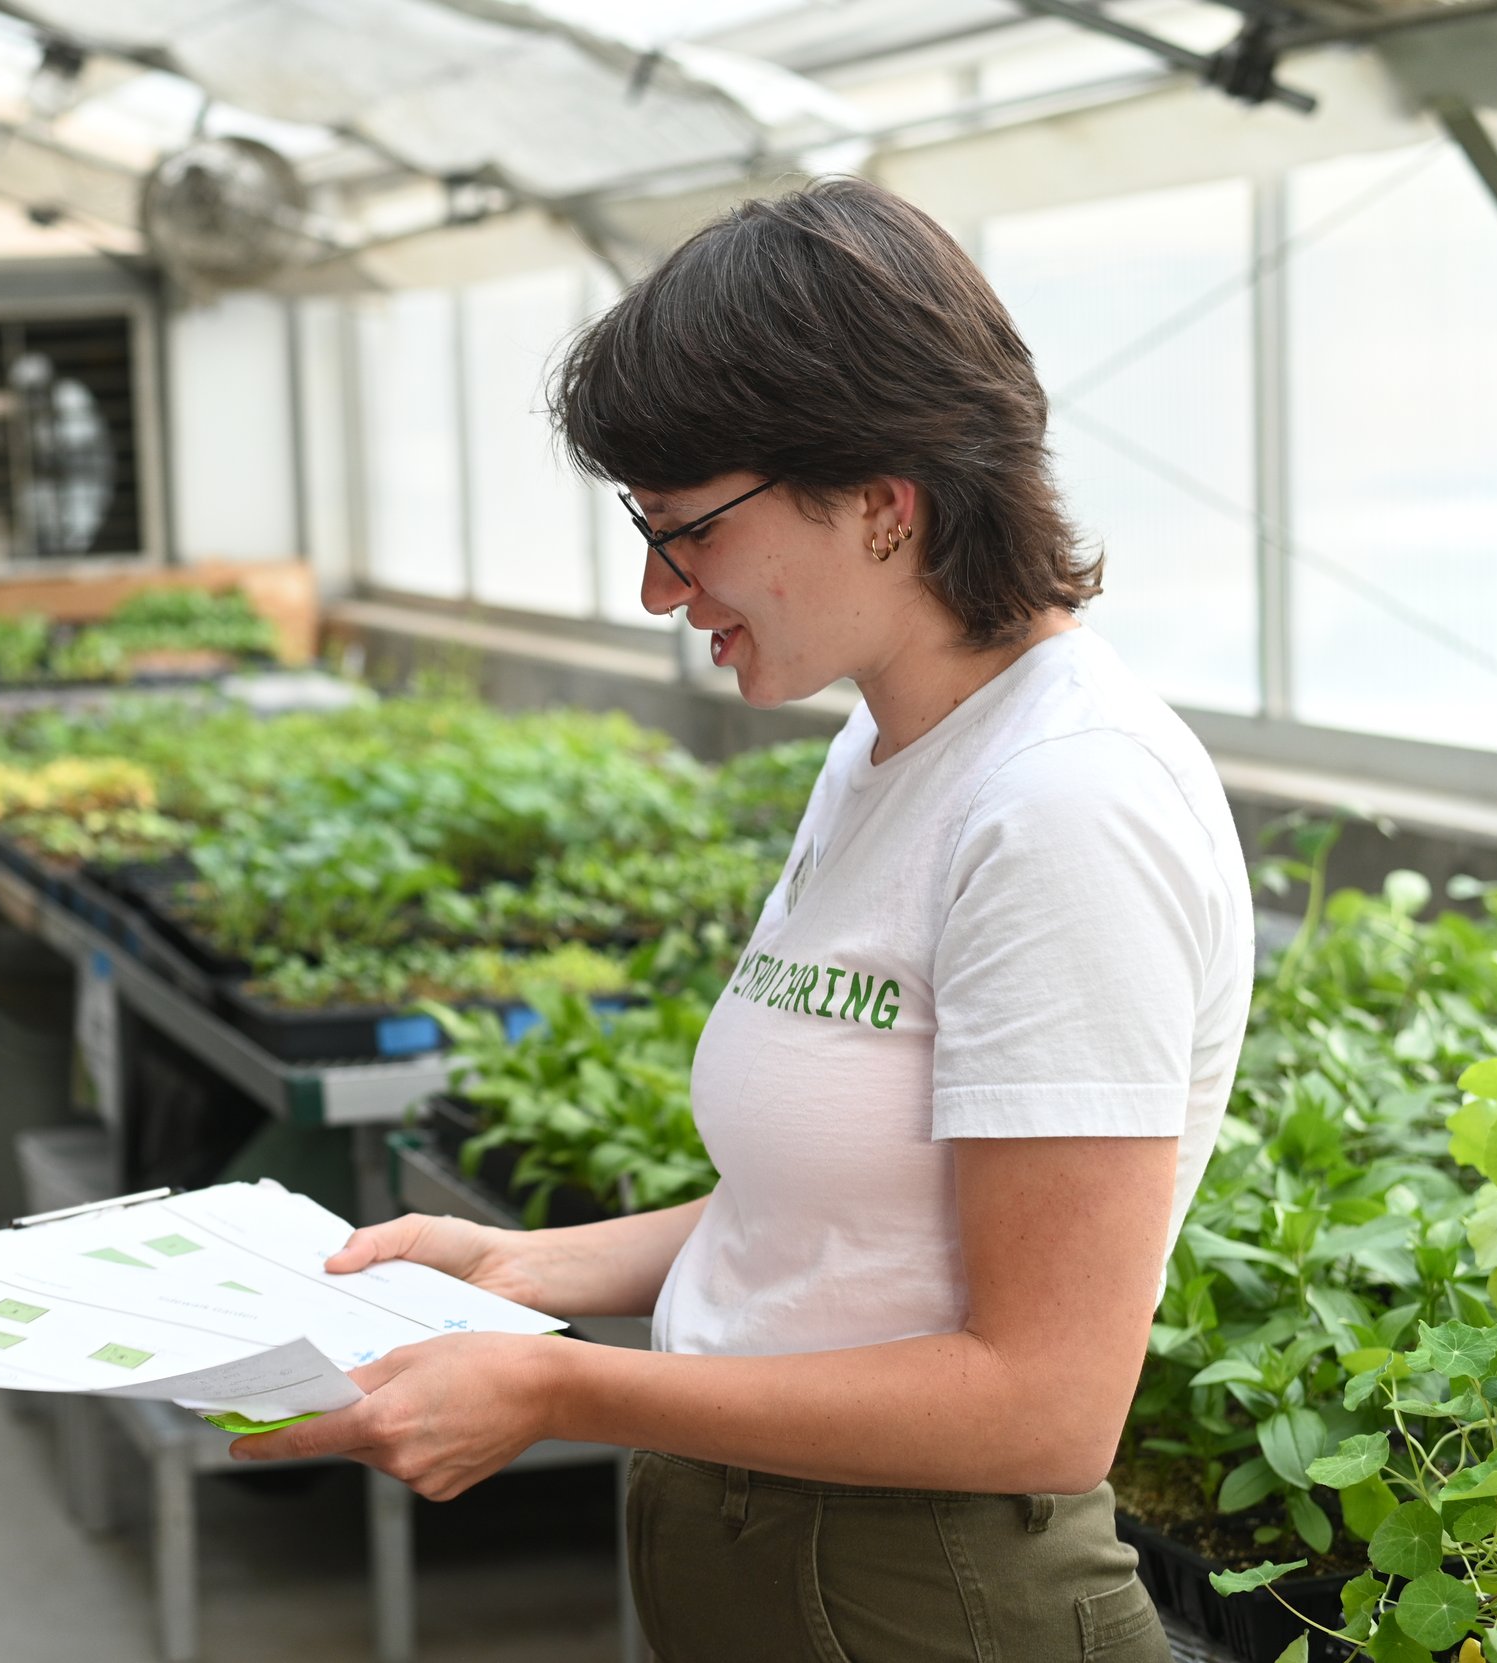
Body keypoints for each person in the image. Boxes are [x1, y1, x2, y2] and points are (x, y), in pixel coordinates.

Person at [237, 177, 1254, 1663]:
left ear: (884, 502)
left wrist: (568, 1390)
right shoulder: (888, 749)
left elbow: (1041, 1403)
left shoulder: (1066, 804)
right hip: (779, 1563)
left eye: (688, 531)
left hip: (928, 1600)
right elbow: (864, 1216)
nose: (661, 590)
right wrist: (533, 1269)